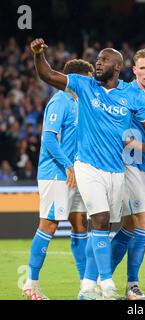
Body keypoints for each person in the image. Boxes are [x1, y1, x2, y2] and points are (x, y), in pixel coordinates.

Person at [30, 38, 145, 300]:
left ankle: (88, 285)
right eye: (98, 60)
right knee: (100, 218)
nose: (98, 63)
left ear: (117, 67)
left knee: (104, 227)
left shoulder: (132, 96)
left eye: (104, 60)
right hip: (87, 166)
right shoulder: (85, 86)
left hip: (116, 170)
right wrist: (39, 55)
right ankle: (105, 284)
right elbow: (47, 74)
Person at [22, 59, 94, 300]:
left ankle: (86, 286)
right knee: (49, 225)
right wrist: (67, 165)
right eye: (89, 77)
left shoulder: (80, 103)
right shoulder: (60, 100)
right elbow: (49, 139)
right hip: (56, 173)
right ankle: (31, 284)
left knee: (80, 224)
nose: (92, 81)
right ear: (79, 78)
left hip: (75, 173)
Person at [110, 48, 145, 300]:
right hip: (126, 165)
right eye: (142, 68)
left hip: (144, 168)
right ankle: (132, 286)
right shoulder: (124, 94)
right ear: (134, 71)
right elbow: (120, 136)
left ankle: (103, 277)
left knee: (130, 226)